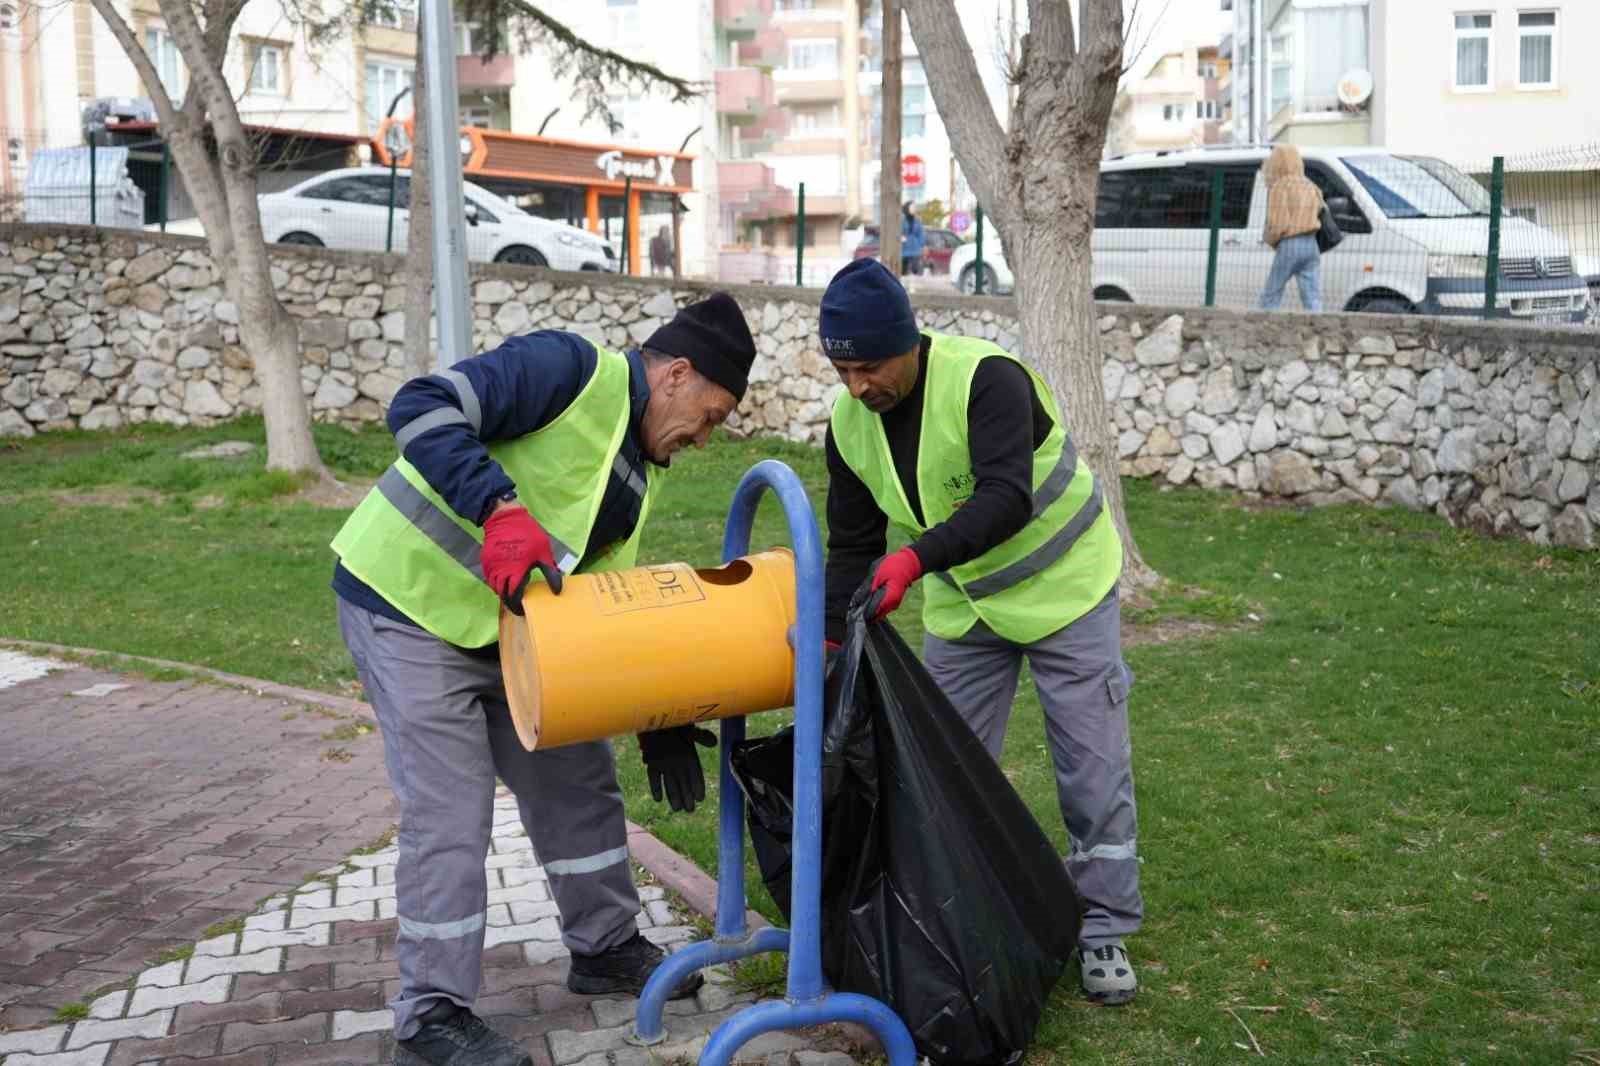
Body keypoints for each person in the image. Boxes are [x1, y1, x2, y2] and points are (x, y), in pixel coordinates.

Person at [329, 294, 758, 1066]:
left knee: (578, 781)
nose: (705, 437)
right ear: (677, 375)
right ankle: (430, 1016)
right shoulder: (568, 371)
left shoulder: (639, 466)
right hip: (406, 607)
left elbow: (598, 599)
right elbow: (420, 405)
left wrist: (655, 716)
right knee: (450, 816)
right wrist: (497, 506)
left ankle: (604, 947)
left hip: (516, 634)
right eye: (712, 415)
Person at [817, 259, 1143, 1006]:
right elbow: (851, 545)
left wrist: (914, 560)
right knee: (938, 772)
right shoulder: (848, 426)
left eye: (870, 367)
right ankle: (958, 919)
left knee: (1091, 768)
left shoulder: (986, 381)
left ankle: (1103, 927)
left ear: (908, 342)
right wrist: (833, 644)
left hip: (1066, 589)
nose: (858, 387)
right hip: (968, 609)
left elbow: (1005, 497)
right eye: (843, 371)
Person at [1260, 143, 1325, 312]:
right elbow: (1319, 210)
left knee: (1272, 294)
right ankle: (1316, 326)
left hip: (1290, 243)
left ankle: (1265, 325)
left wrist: (1271, 240)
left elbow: (1278, 224)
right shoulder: (1310, 185)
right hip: (1311, 244)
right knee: (1312, 298)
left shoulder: (1280, 186)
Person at [899, 202, 925, 276]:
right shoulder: (902, 220)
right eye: (912, 207)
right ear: (907, 209)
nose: (914, 209)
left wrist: (922, 245)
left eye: (914, 207)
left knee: (915, 269)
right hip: (904, 248)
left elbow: (920, 233)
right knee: (903, 271)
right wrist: (901, 237)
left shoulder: (917, 220)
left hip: (915, 248)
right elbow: (898, 232)